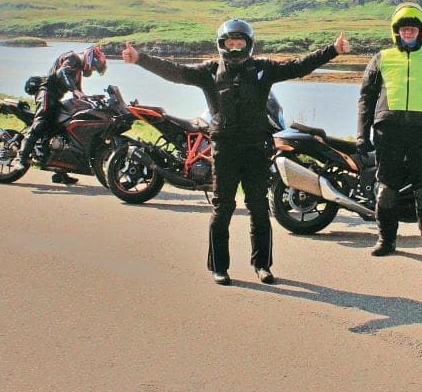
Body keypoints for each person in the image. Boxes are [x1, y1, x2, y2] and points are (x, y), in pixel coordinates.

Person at [122, 21, 350, 286]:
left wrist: (332, 50)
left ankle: (262, 266)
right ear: (222, 44)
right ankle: (219, 267)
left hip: (255, 148)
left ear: (248, 43)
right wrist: (140, 59)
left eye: (239, 42)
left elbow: (297, 66)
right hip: (225, 149)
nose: (235, 46)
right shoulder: (210, 71)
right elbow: (176, 72)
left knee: (259, 208)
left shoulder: (263, 69)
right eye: (230, 42)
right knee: (223, 207)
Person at [357, 2, 422, 259]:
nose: (408, 32)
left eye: (413, 28)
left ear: (420, 31)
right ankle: (386, 241)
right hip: (388, 132)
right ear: (396, 32)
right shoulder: (381, 58)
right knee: (387, 188)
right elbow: (366, 98)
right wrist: (361, 133)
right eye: (404, 28)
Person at [20, 44, 107, 184]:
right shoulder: (73, 58)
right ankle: (22, 157)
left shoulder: (78, 71)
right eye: (95, 67)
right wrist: (75, 91)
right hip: (46, 92)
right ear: (91, 59)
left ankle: (60, 172)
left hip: (56, 97)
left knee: (63, 131)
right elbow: (62, 73)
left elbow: (78, 91)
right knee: (42, 122)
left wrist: (91, 99)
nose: (93, 70)